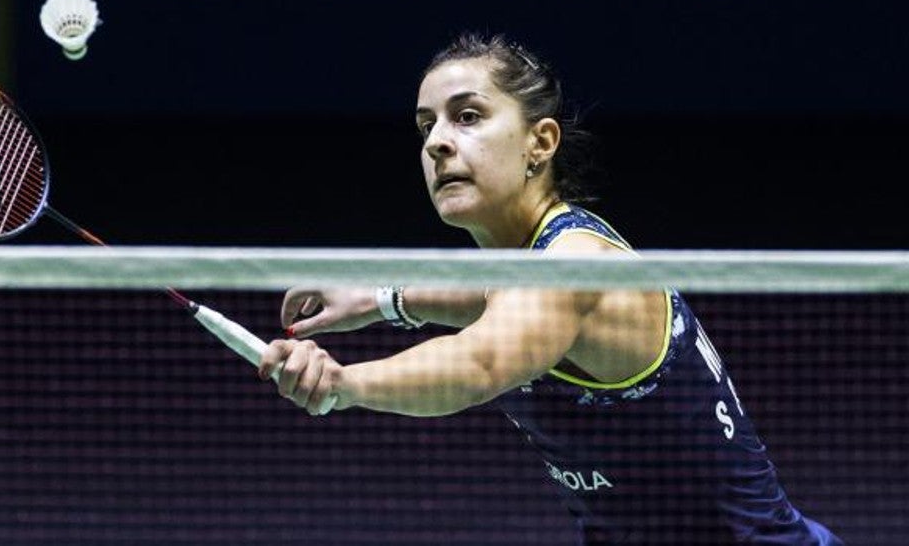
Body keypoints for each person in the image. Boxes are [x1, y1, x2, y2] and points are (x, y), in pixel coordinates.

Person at [258, 32, 842, 545]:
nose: (437, 141)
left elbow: (481, 361)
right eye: (425, 124)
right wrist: (381, 300)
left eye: (467, 117)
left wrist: (341, 383)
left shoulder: (575, 264)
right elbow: (488, 296)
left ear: (540, 142)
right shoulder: (528, 270)